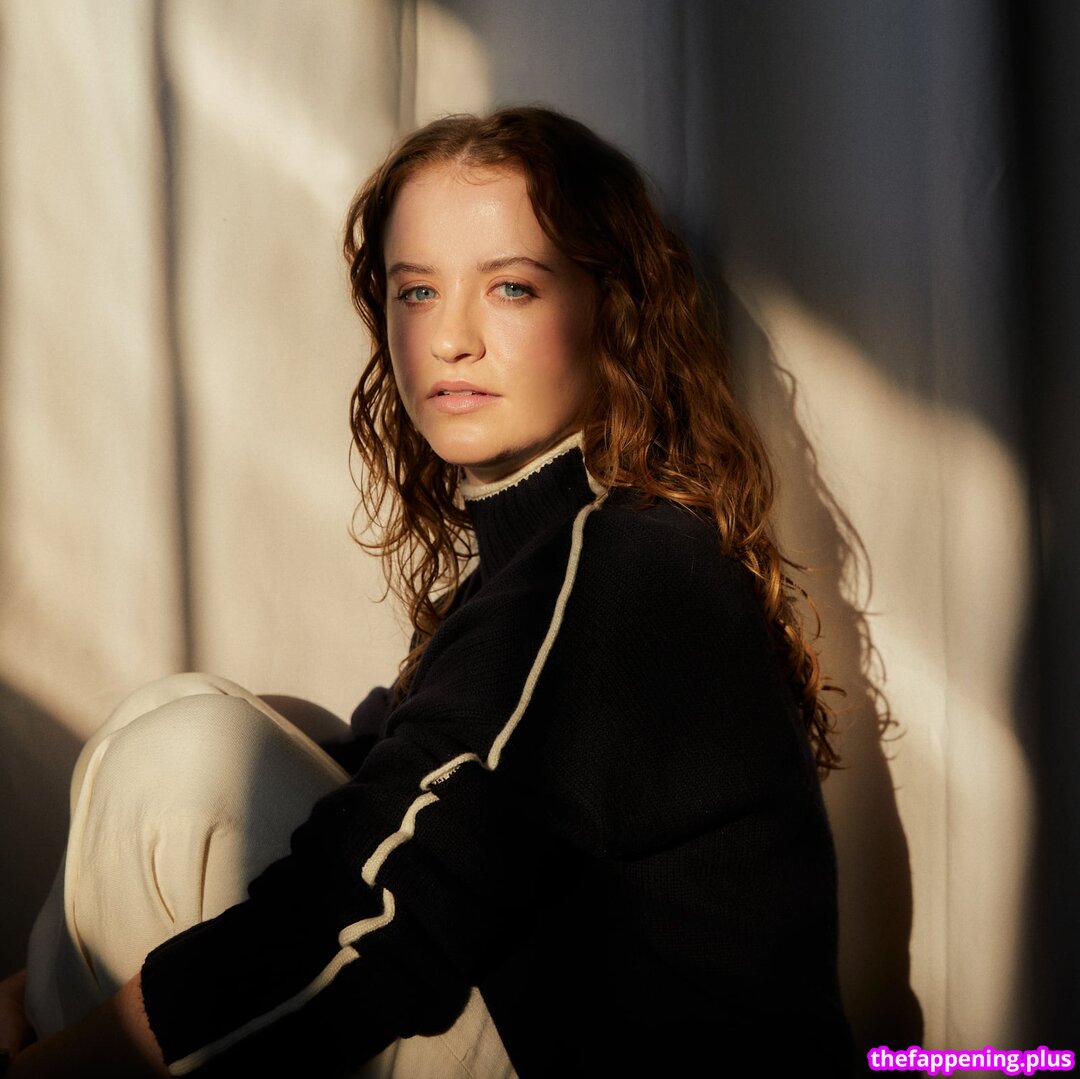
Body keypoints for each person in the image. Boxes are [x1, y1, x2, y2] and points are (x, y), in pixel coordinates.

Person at [0, 106, 852, 1076]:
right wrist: (32, 992)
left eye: (512, 287)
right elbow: (382, 780)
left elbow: (372, 910)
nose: (451, 338)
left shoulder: (623, 566)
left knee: (185, 754)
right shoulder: (544, 564)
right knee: (224, 726)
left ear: (612, 310)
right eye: (418, 291)